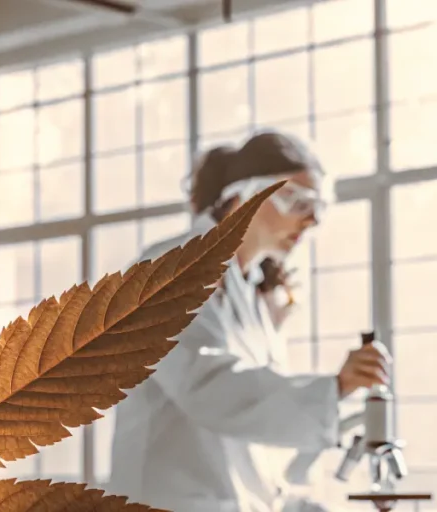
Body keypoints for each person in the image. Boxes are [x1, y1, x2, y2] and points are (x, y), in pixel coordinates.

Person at [106, 131, 392, 512]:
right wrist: (334, 387)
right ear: (241, 197)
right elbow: (207, 386)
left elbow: (252, 443)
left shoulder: (252, 295)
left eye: (319, 207)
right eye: (297, 201)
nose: (311, 221)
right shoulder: (171, 269)